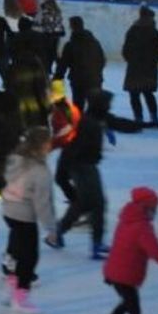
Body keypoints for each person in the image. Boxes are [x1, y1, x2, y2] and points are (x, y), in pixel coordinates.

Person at [1, 126, 58, 314]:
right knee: (29, 258)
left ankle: (12, 288)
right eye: (48, 142)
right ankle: (20, 301)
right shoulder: (40, 171)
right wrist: (51, 228)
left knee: (17, 251)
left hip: (9, 210)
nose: (51, 145)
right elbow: (42, 203)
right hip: (24, 214)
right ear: (41, 146)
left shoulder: (16, 159)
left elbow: (7, 179)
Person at [49, 89, 109, 259]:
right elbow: (69, 148)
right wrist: (63, 175)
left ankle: (58, 233)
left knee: (84, 202)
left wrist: (141, 125)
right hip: (82, 167)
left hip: (84, 166)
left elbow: (116, 122)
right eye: (107, 104)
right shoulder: (86, 123)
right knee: (97, 203)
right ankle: (96, 244)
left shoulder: (94, 119)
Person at [122, 6, 158, 128]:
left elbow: (125, 50)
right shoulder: (153, 32)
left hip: (134, 68)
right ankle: (154, 118)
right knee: (148, 93)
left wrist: (131, 61)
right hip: (149, 69)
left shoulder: (132, 30)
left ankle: (138, 119)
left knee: (134, 94)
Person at [53, 16, 105, 111]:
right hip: (95, 80)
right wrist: (97, 73)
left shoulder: (71, 45)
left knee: (78, 107)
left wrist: (57, 78)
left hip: (79, 81)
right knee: (94, 108)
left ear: (71, 27)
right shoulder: (95, 42)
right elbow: (102, 60)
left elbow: (63, 65)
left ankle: (80, 123)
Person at [35, 0, 65, 75]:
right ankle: (48, 70)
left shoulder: (44, 7)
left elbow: (40, 21)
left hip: (48, 33)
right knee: (51, 54)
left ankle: (46, 70)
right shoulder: (55, 6)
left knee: (46, 54)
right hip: (55, 33)